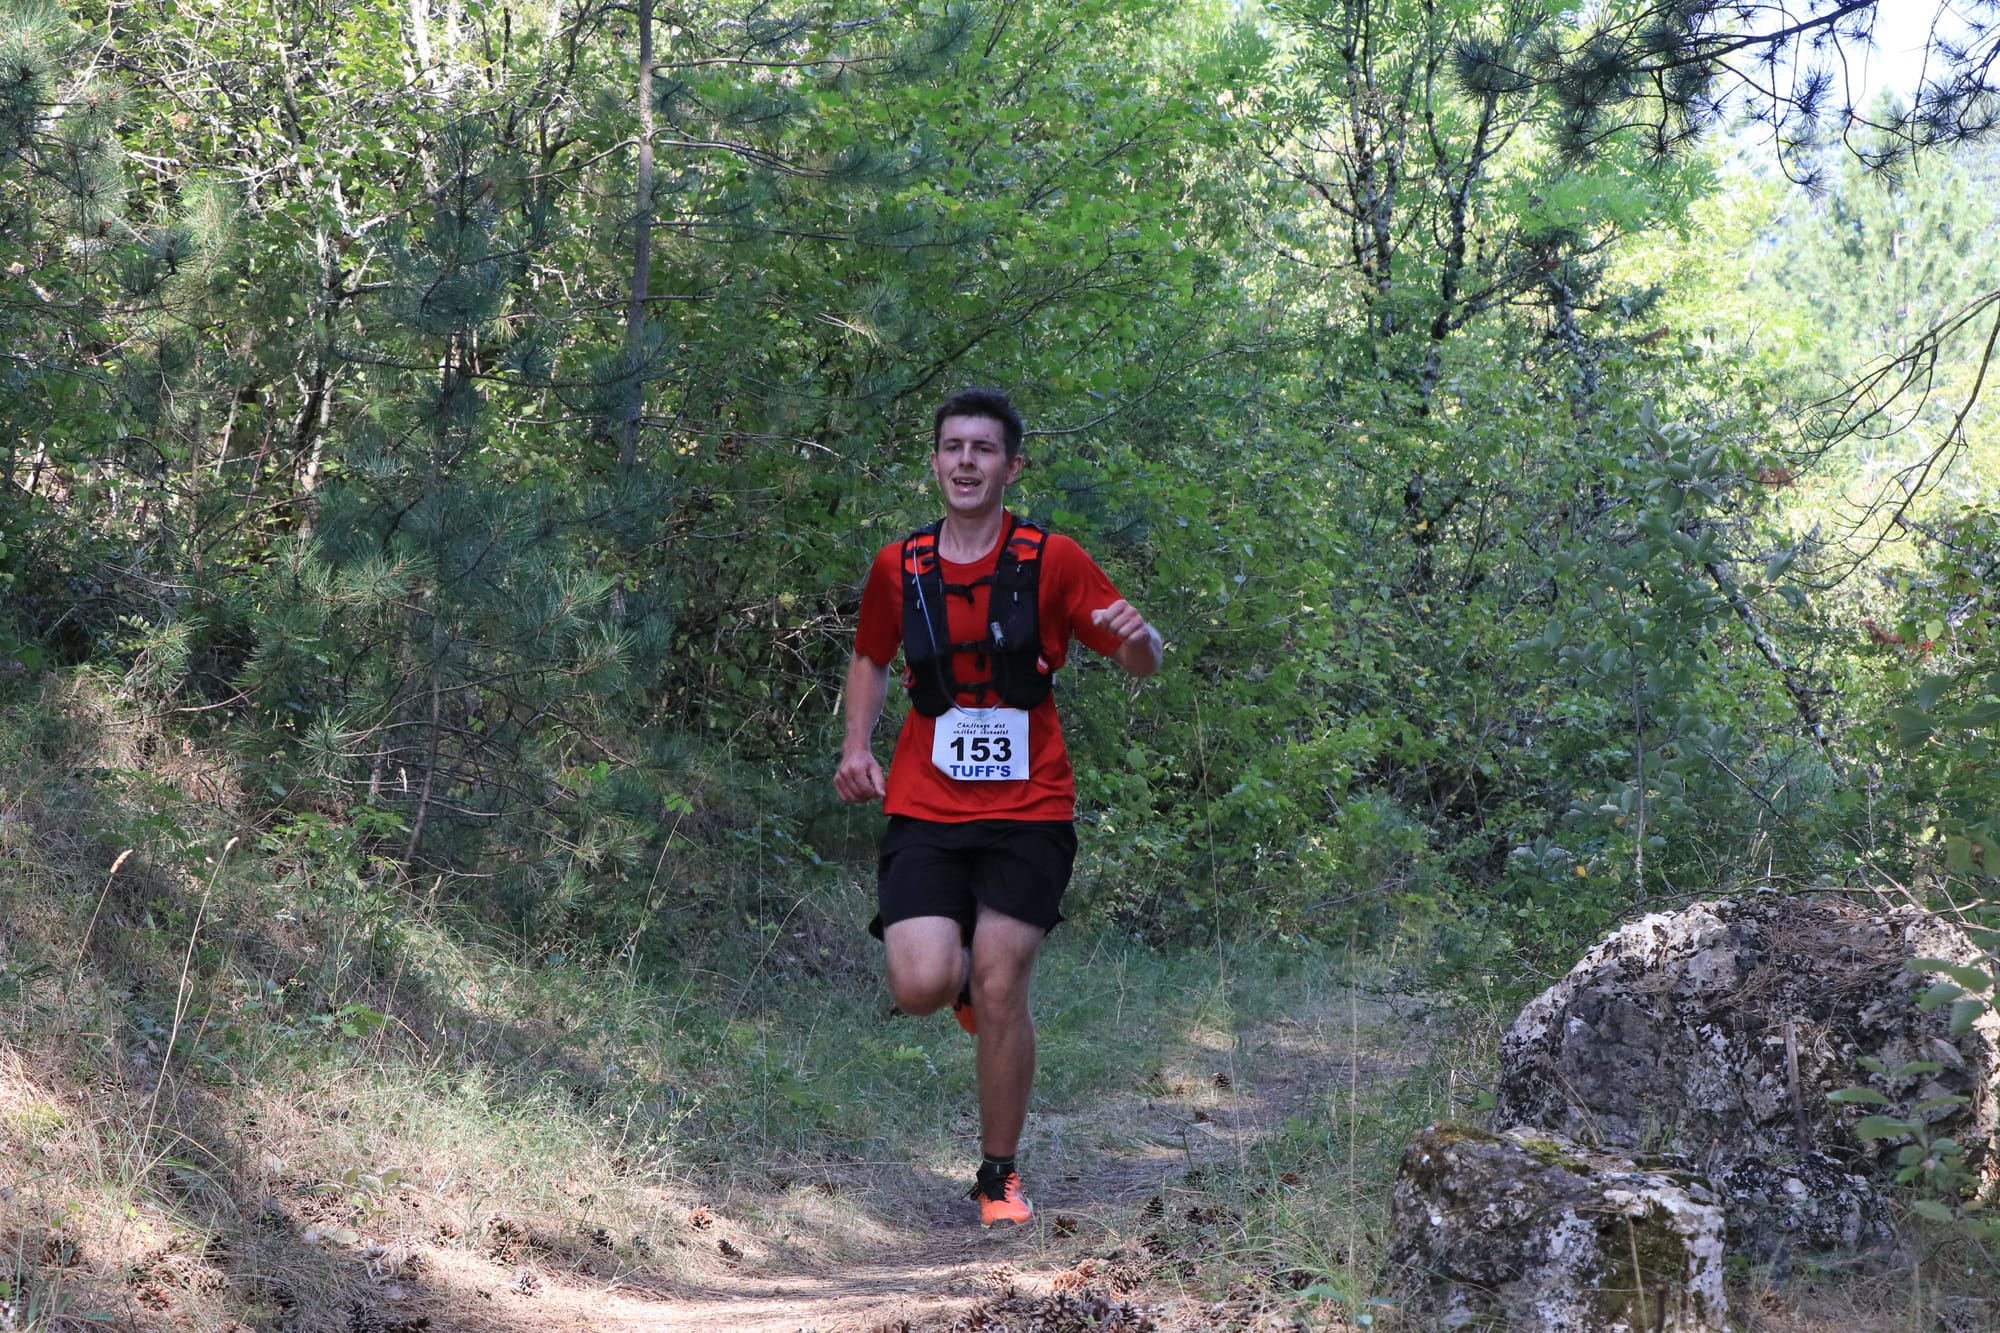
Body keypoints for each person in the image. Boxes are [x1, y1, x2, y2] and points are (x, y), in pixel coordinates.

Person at [834, 387, 1163, 1228]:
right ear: (936, 462)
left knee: (1002, 977)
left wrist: (1139, 637)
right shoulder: (898, 566)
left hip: (1030, 807)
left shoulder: (1052, 559)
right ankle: (971, 993)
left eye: (984, 449)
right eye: (953, 447)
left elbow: (1138, 658)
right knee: (920, 983)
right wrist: (857, 747)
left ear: (1012, 466)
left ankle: (998, 1174)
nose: (967, 462)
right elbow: (871, 656)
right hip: (925, 804)